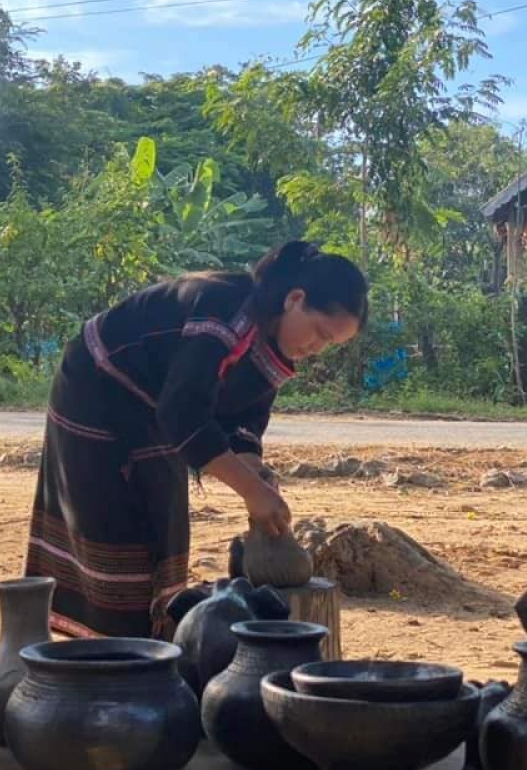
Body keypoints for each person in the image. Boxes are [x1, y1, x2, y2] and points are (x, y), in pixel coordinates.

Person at [23, 240, 368, 639]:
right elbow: (183, 412)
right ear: (295, 299)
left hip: (151, 404)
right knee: (113, 521)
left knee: (163, 518)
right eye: (320, 333)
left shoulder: (273, 350)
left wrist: (255, 473)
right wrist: (249, 490)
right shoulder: (227, 309)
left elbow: (243, 419)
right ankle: (111, 653)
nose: (317, 349)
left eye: (330, 345)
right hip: (97, 386)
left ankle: (148, 642)